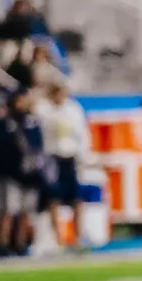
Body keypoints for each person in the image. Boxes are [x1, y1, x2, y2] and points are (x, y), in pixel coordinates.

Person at [0, 88, 42, 257]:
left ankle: (20, 244)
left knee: (24, 211)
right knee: (5, 211)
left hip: (27, 174)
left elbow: (37, 147)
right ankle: (2, 244)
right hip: (7, 173)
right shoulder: (3, 123)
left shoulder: (29, 122)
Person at [34, 79, 86, 249]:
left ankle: (78, 237)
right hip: (53, 158)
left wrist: (83, 156)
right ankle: (59, 239)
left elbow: (82, 134)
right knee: (54, 200)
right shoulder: (45, 110)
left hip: (70, 157)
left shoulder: (73, 109)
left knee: (76, 200)